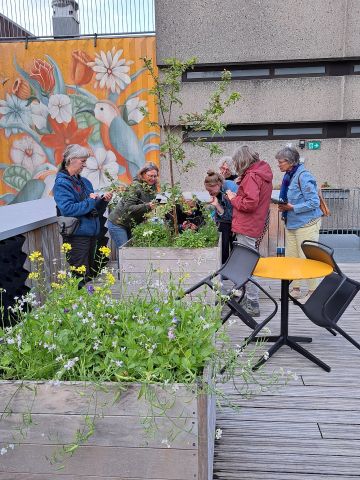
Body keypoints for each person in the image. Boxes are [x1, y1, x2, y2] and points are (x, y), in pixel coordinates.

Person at [53, 144, 112, 281]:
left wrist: (102, 200)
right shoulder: (62, 184)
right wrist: (90, 201)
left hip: (91, 233)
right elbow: (68, 209)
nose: (85, 165)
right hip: (76, 236)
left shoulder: (84, 182)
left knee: (89, 274)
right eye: (83, 161)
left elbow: (92, 208)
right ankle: (78, 302)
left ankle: (87, 301)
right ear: (71, 159)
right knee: (80, 276)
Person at [226, 145, 273, 317]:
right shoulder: (260, 172)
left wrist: (233, 198)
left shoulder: (252, 176)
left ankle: (252, 303)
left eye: (237, 163)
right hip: (253, 224)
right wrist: (242, 180)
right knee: (247, 262)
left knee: (247, 265)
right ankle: (248, 298)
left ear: (242, 161)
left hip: (247, 225)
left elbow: (249, 204)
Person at [276, 146, 322, 302]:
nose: (278, 165)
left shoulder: (303, 176)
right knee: (292, 258)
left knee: (307, 258)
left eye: (280, 162)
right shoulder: (289, 175)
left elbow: (314, 202)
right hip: (292, 223)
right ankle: (295, 289)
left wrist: (292, 207)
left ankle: (313, 291)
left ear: (289, 162)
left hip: (306, 223)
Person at [107, 162, 158, 248]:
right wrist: (148, 206)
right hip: (118, 223)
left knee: (131, 252)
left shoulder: (152, 188)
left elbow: (150, 203)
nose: (153, 178)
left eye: (155, 176)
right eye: (150, 176)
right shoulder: (135, 187)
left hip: (131, 224)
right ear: (142, 174)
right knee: (125, 252)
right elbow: (128, 208)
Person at [204, 170, 237, 264]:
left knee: (235, 245)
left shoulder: (230, 187)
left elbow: (233, 213)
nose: (209, 193)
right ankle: (223, 266)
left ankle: (232, 268)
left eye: (210, 190)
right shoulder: (218, 192)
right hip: (226, 221)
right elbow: (223, 215)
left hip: (238, 220)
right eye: (207, 191)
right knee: (223, 242)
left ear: (218, 184)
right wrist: (217, 205)